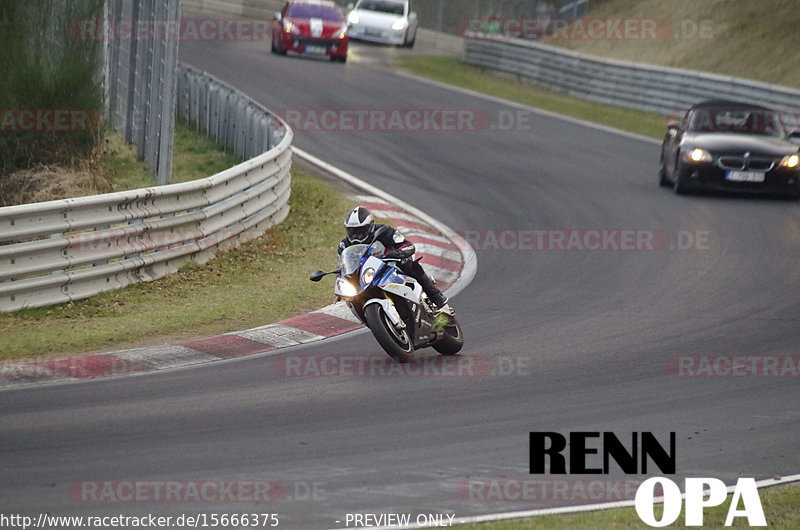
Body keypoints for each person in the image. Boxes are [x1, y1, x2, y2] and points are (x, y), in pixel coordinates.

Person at [338, 206, 453, 315]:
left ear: (370, 226)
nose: (357, 236)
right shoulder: (344, 245)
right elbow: (344, 265)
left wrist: (396, 253)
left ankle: (438, 300)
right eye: (352, 232)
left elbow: (408, 245)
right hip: (367, 274)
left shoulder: (384, 232)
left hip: (392, 264)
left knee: (409, 265)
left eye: (361, 231)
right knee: (351, 294)